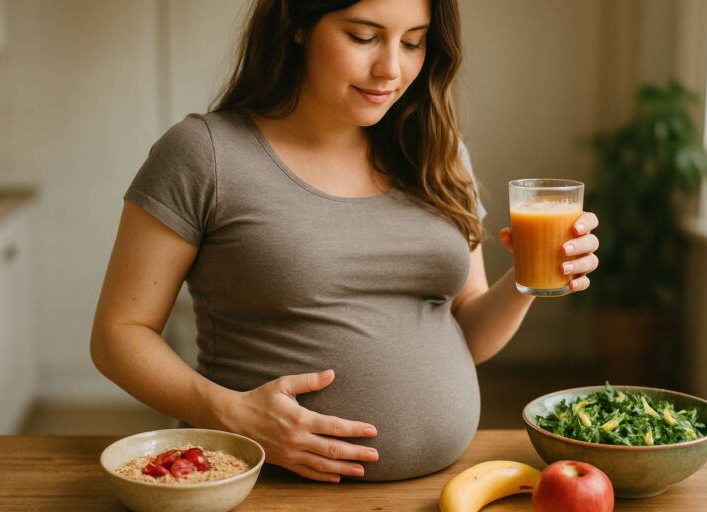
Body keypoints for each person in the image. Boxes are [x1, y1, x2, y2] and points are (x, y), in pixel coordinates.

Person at [90, 0, 599, 484]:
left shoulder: (436, 153)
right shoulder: (206, 154)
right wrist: (234, 412)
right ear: (298, 24)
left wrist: (529, 279)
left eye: (414, 43)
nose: (391, 69)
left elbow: (470, 333)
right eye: (363, 37)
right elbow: (118, 334)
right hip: (261, 488)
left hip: (430, 489)